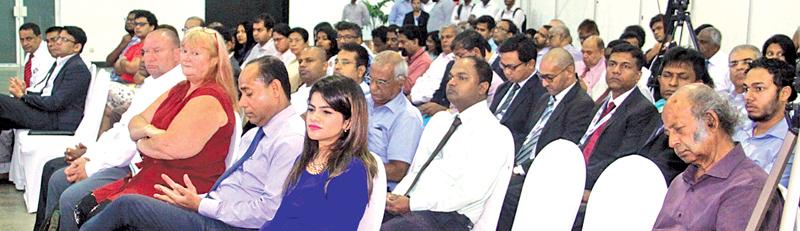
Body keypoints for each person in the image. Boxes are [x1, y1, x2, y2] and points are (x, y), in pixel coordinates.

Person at [79, 56, 304, 231]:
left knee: (128, 206)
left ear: (275, 89)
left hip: (232, 226)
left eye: (248, 93)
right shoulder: (255, 134)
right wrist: (195, 199)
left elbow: (269, 211)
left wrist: (200, 204)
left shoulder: (289, 139)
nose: (242, 103)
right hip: (213, 209)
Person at [75, 27, 237, 225]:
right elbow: (135, 123)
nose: (187, 58)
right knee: (84, 206)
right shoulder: (181, 88)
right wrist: (151, 132)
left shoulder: (210, 98)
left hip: (177, 189)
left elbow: (169, 148)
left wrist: (142, 142)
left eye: (196, 53)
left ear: (214, 60)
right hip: (151, 177)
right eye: (185, 51)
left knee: (95, 216)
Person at [34, 28, 186, 231]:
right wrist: (90, 154)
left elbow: (132, 144)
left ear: (177, 53)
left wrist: (91, 166)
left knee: (68, 194)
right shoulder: (153, 83)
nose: (147, 58)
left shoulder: (175, 87)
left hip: (134, 166)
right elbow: (120, 128)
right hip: (118, 158)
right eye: (145, 52)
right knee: (53, 172)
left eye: (156, 51)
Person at [382, 56, 514, 230]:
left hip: (450, 216)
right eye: (451, 76)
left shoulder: (495, 134)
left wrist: (412, 204)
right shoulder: (441, 122)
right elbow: (418, 170)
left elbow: (470, 192)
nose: (452, 82)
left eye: (462, 78)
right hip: (414, 206)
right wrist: (395, 196)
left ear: (483, 87)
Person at [653, 83, 783, 231]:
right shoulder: (681, 181)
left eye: (679, 130)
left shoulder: (748, 187)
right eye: (668, 134)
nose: (672, 142)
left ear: (711, 121)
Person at [260, 75, 378, 230]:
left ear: (348, 122)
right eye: (311, 109)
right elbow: (281, 218)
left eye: (326, 112)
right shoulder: (303, 160)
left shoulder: (352, 170)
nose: (314, 117)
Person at [497, 48, 594, 230]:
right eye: (542, 77)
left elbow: (564, 148)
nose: (543, 83)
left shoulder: (581, 105)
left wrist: (520, 169)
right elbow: (526, 136)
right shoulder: (544, 98)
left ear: (568, 72)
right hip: (518, 163)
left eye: (550, 77)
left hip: (542, 171)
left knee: (505, 194)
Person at [581, 42, 658, 192]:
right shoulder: (599, 105)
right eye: (612, 64)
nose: (616, 71)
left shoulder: (643, 110)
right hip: (579, 175)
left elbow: (623, 158)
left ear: (638, 75)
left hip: (603, 186)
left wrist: (579, 176)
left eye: (625, 66)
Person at [638, 47, 715, 185]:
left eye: (682, 77)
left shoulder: (701, 122)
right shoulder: (654, 112)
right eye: (667, 75)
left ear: (698, 84)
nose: (672, 83)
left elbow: (671, 167)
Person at [0, 26, 90, 132]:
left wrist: (24, 97)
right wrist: (24, 94)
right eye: (58, 38)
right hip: (46, 114)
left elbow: (56, 103)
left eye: (64, 40)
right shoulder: (61, 63)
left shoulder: (77, 68)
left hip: (55, 120)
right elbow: (46, 94)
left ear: (77, 47)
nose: (58, 42)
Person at [368, 51, 423, 191]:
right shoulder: (364, 102)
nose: (373, 87)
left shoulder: (407, 117)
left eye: (381, 82)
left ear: (401, 82)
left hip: (380, 189)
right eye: (370, 79)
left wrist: (354, 167)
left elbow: (398, 171)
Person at [740, 58, 796, 187]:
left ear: (784, 93)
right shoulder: (736, 128)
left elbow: (763, 194)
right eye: (746, 89)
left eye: (758, 89)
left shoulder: (791, 144)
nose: (748, 97)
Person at [491, 35, 547, 149]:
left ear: (530, 64)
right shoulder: (503, 88)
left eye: (512, 67)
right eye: (503, 66)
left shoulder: (541, 93)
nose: (506, 72)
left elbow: (527, 134)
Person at [410, 24, 457, 105]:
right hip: (416, 99)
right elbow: (423, 79)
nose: (444, 40)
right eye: (442, 38)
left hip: (435, 103)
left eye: (448, 37)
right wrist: (412, 96)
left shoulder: (456, 60)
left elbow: (437, 87)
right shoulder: (440, 58)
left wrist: (414, 98)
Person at [114, 10, 156, 84]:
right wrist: (125, 64)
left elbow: (132, 68)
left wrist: (122, 61)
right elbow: (117, 69)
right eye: (136, 24)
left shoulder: (151, 45)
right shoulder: (133, 46)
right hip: (123, 83)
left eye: (142, 24)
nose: (137, 27)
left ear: (152, 27)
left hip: (135, 86)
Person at [726, 44, 761, 130]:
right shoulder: (724, 100)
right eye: (733, 64)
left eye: (747, 62)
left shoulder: (763, 101)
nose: (739, 67)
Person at [18, 23, 56, 89]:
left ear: (39, 37)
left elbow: (40, 87)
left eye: (29, 39)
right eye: (22, 39)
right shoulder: (30, 54)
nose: (25, 43)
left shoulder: (48, 55)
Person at [292, 47, 329, 114]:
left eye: (309, 61)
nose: (302, 65)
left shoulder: (330, 91)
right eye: (300, 61)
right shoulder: (300, 90)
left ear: (325, 66)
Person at [398, 25, 433, 95]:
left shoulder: (424, 62)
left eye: (403, 42)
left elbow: (407, 88)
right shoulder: (407, 58)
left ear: (415, 41)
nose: (400, 46)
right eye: (399, 42)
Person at [697, 26, 731, 94]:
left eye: (703, 42)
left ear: (716, 46)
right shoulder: (696, 61)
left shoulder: (727, 65)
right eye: (697, 41)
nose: (698, 45)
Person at [287, 27, 310, 92]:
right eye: (290, 41)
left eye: (297, 40)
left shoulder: (309, 61)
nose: (293, 44)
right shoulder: (291, 61)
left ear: (306, 42)